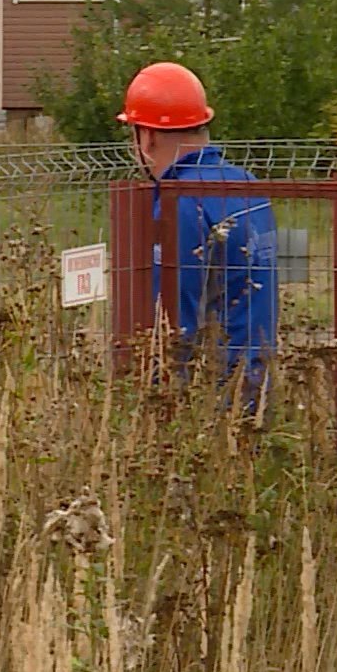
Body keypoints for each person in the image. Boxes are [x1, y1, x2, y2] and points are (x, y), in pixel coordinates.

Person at [118, 62, 277, 412]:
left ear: (148, 138)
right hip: (258, 378)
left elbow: (173, 320)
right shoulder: (247, 185)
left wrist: (158, 400)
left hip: (215, 397)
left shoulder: (180, 203)